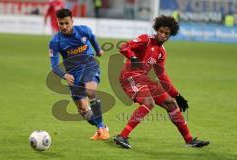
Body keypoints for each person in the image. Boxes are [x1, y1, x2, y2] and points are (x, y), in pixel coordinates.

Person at [114, 15, 210, 149]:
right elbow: (124, 47)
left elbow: (162, 76)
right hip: (129, 76)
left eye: (167, 33)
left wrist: (177, 95)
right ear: (156, 30)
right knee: (149, 102)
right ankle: (122, 136)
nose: (163, 35)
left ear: (170, 35)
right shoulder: (146, 39)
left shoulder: (161, 52)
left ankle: (189, 140)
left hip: (143, 79)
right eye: (161, 31)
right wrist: (133, 57)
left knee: (171, 103)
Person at [48, 8, 109, 140]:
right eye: (61, 24)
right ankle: (101, 128)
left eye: (66, 23)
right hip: (73, 74)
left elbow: (92, 37)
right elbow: (54, 65)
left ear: (72, 21)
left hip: (89, 64)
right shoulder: (55, 42)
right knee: (83, 110)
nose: (64, 26)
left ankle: (102, 128)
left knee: (90, 91)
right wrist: (64, 75)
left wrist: (98, 50)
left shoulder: (83, 30)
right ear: (57, 23)